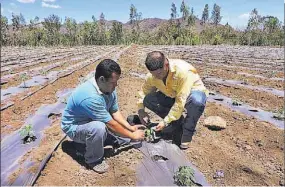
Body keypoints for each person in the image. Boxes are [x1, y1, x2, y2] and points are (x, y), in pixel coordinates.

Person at [61, 59, 145, 174]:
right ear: (101, 79)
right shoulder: (90, 97)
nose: (116, 85)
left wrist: (130, 128)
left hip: (90, 120)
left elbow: (115, 112)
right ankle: (93, 160)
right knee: (99, 128)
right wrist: (133, 136)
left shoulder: (108, 89)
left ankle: (93, 142)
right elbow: (111, 123)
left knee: (120, 138)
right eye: (113, 82)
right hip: (75, 127)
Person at [137, 51, 208, 149]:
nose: (156, 77)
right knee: (148, 99)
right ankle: (176, 123)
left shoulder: (182, 71)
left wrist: (165, 121)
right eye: (153, 74)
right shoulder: (153, 76)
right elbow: (144, 92)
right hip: (172, 95)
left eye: (159, 74)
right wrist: (141, 110)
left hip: (191, 94)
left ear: (166, 64)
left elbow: (181, 100)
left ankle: (186, 132)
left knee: (197, 102)